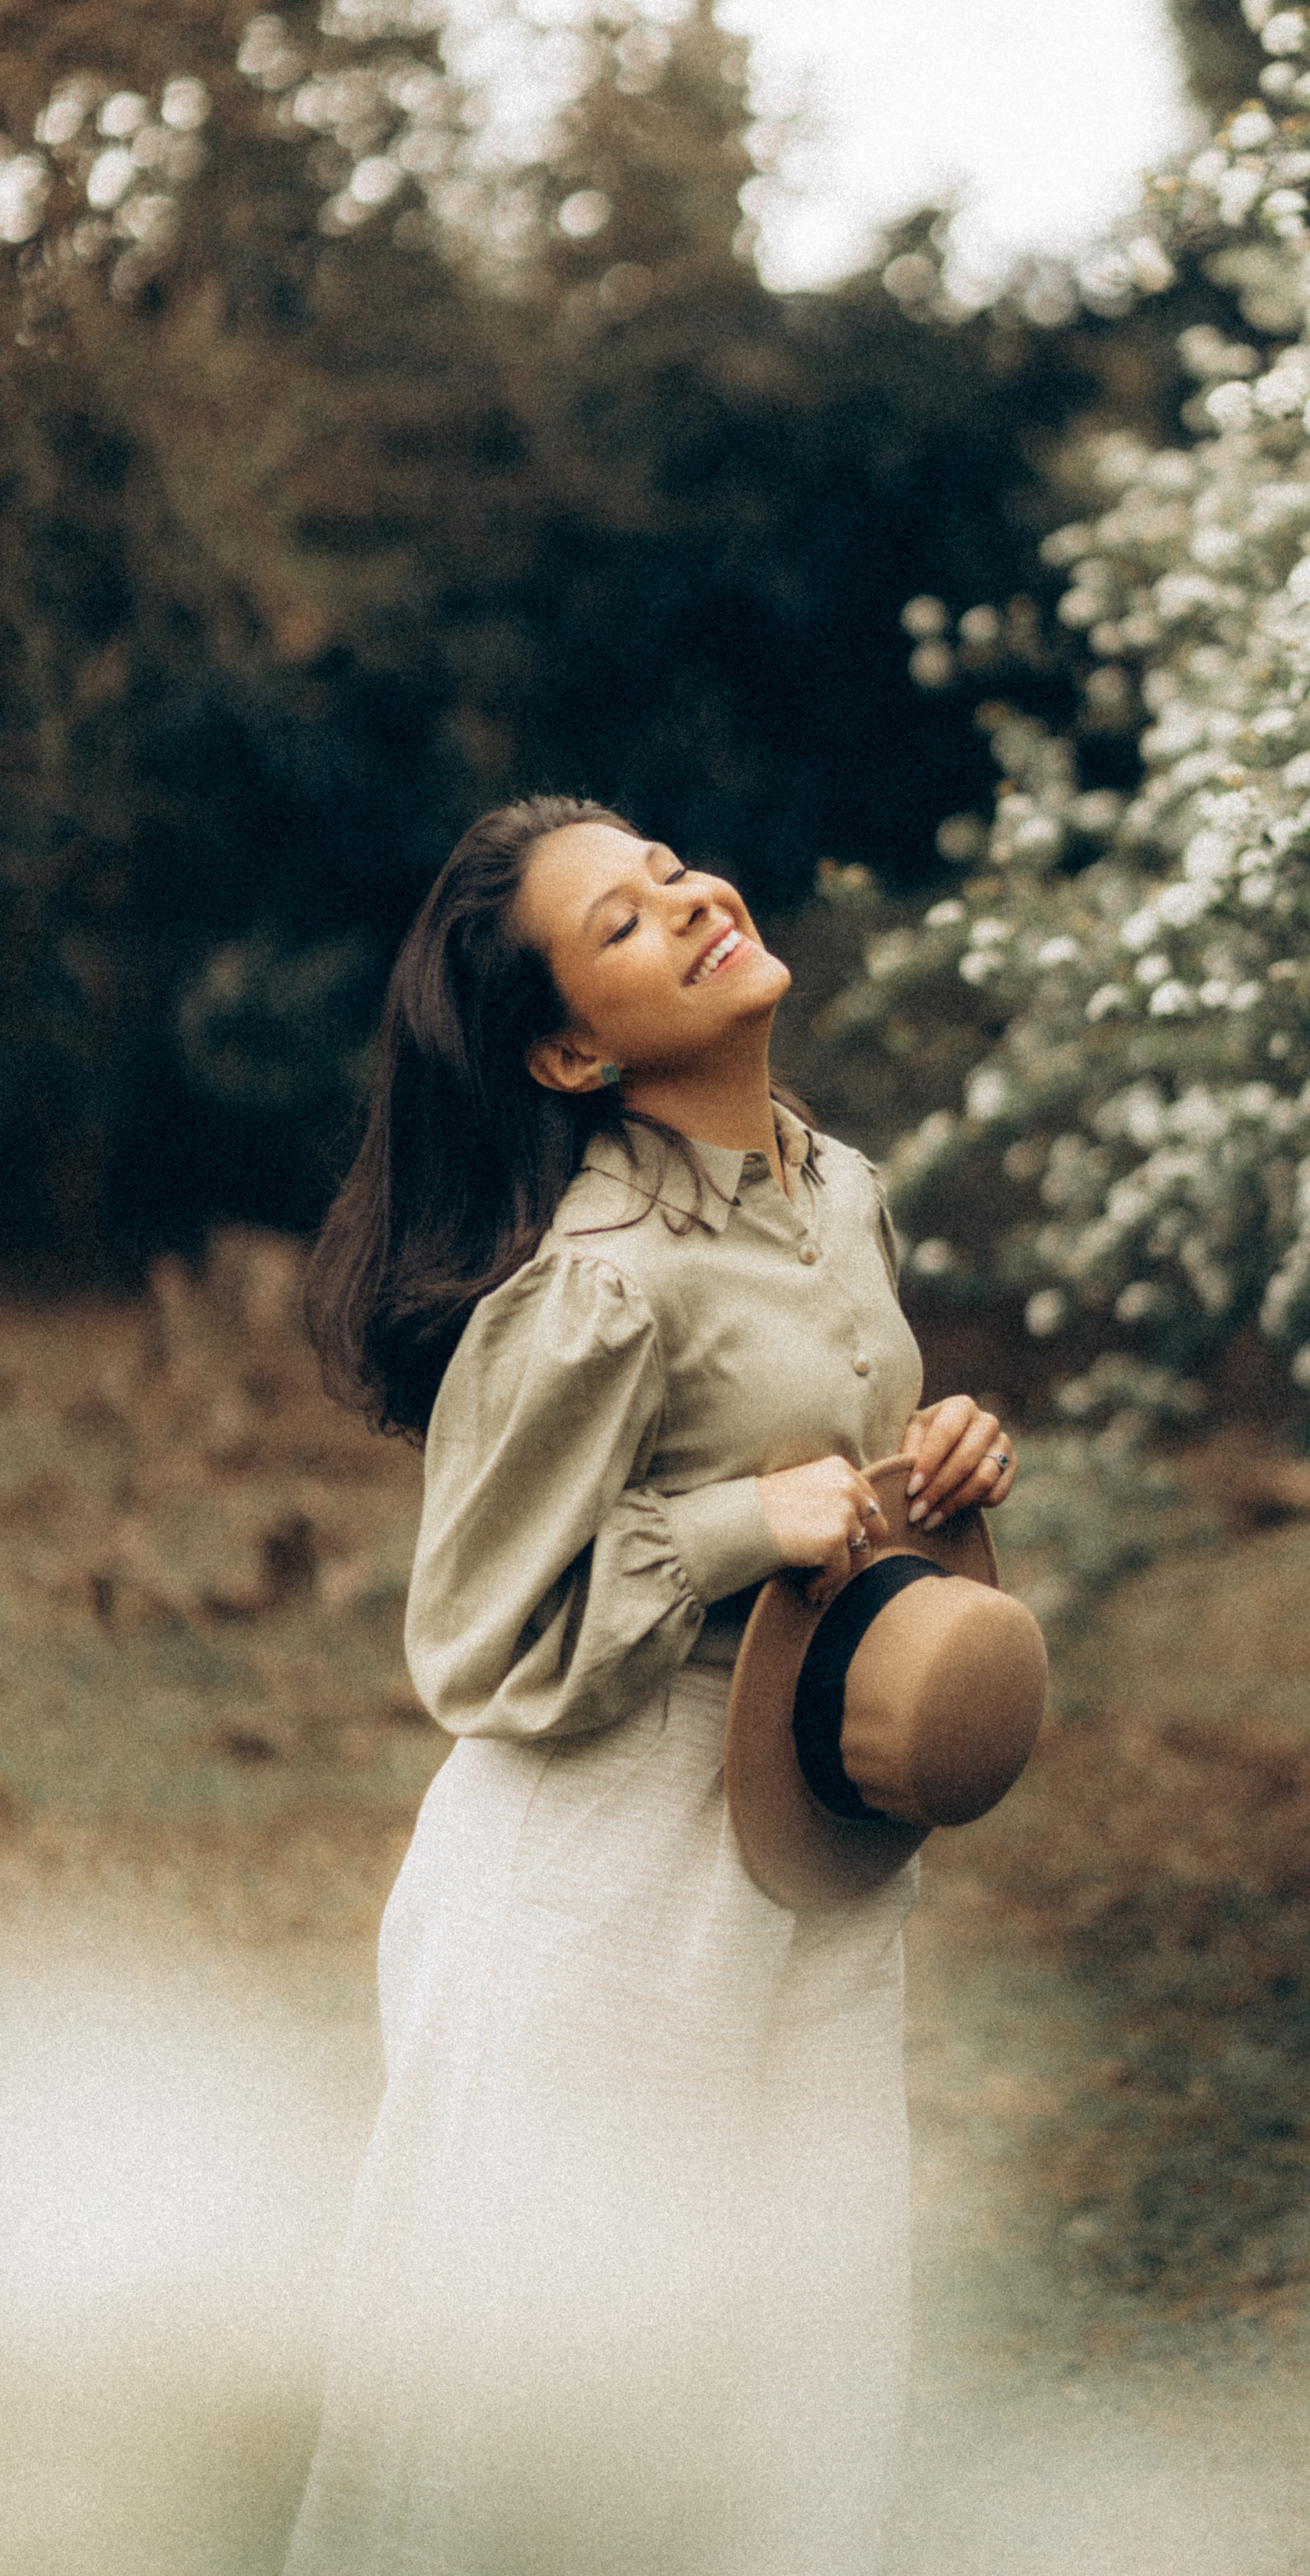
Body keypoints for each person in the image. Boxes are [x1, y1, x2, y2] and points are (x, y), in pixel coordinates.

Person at [282, 794, 1019, 2576]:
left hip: (813, 1849)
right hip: (595, 1883)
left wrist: (940, 1462)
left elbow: (832, 1503)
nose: (690, 901)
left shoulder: (837, 1191)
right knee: (541, 2439)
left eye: (671, 871)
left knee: (801, 2399)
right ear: (563, 1049)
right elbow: (470, 1643)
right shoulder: (595, 1287)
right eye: (622, 923)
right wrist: (730, 1524)